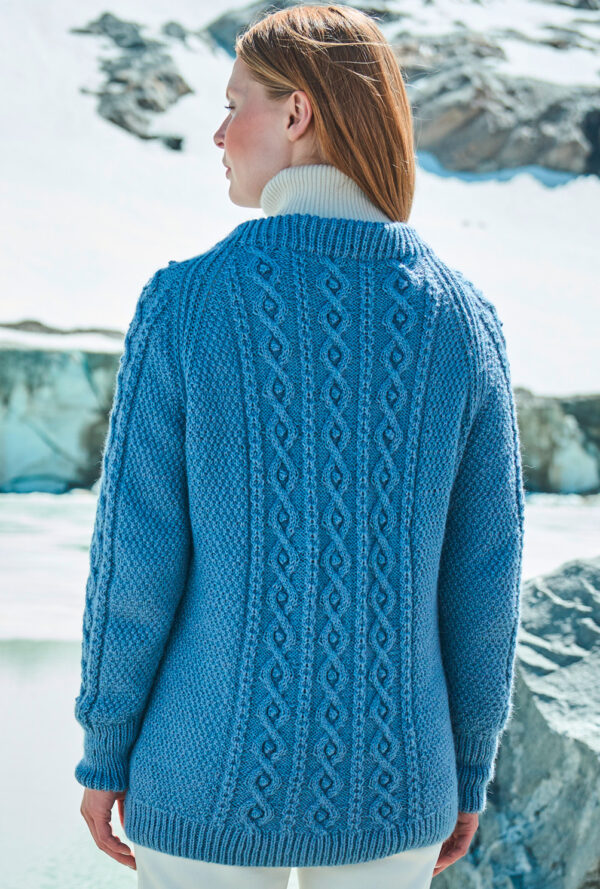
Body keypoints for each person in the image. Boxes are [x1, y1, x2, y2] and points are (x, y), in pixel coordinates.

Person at [74, 4, 526, 888]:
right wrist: (468, 768)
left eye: (233, 102)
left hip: (199, 779)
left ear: (296, 111)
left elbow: (135, 558)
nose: (218, 132)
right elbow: (485, 581)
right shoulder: (464, 322)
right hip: (399, 787)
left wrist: (106, 746)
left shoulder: (185, 304)